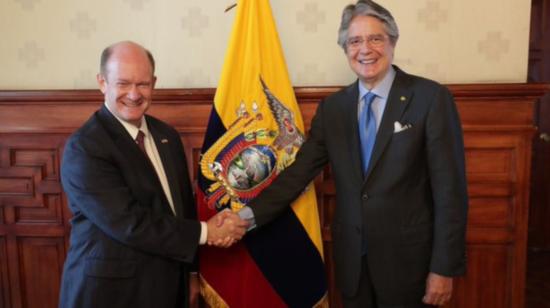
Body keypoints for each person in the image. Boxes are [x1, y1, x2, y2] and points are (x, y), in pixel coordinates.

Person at [242, 1, 468, 307]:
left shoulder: (430, 98)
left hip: (409, 267)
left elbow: (450, 192)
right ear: (345, 48)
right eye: (355, 41)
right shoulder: (333, 108)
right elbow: (299, 173)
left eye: (375, 38)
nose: (365, 49)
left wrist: (443, 268)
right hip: (352, 265)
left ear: (392, 42)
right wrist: (245, 217)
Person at [59, 41, 248, 308]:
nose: (134, 94)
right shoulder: (86, 147)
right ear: (102, 82)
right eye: (123, 83)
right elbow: (129, 223)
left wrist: (193, 273)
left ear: (154, 83)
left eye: (143, 84)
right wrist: (208, 232)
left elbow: (182, 209)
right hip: (110, 293)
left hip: (169, 287)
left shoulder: (166, 136)